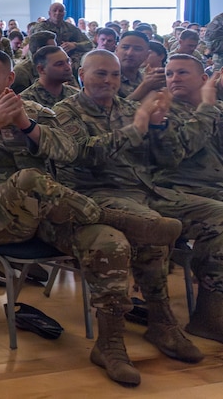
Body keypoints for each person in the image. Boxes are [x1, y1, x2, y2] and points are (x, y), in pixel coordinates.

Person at [0, 49, 192, 387]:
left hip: (47, 216)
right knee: (29, 179)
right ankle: (110, 215)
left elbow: (71, 151)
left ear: (9, 79)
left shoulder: (39, 113)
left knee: (108, 242)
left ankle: (111, 343)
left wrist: (26, 125)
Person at [55, 49, 223, 350]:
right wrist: (138, 127)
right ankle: (161, 319)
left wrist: (159, 125)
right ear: (81, 75)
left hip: (149, 191)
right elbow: (85, 154)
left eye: (116, 75)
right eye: (101, 73)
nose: (110, 80)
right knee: (154, 227)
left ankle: (210, 315)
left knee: (217, 214)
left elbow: (170, 158)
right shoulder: (65, 112)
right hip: (99, 194)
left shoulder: (128, 107)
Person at [152, 53, 223, 201]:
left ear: (204, 79)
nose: (175, 79)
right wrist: (207, 108)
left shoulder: (218, 108)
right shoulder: (160, 111)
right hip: (184, 189)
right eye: (169, 74)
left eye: (182, 72)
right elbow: (177, 152)